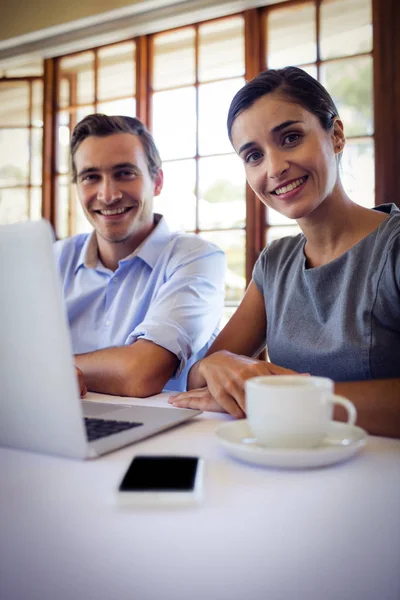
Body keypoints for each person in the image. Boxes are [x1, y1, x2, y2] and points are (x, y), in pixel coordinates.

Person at [169, 66, 400, 439]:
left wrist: (290, 398)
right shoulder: (275, 263)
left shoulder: (394, 248)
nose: (274, 167)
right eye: (253, 156)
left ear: (336, 135)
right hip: (285, 465)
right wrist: (220, 364)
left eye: (291, 138)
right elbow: (201, 373)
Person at [54, 114, 225, 398]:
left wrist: (50, 369)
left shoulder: (197, 258)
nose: (107, 195)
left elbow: (141, 373)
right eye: (90, 177)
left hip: (162, 434)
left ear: (156, 181)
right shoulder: (52, 259)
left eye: (125, 173)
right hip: (59, 423)